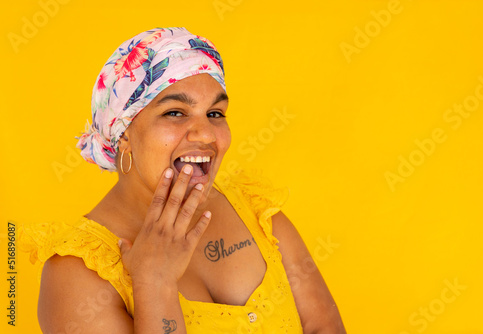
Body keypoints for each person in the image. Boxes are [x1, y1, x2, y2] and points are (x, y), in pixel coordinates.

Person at [19, 27, 346, 333]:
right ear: (124, 136)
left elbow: (325, 327)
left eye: (215, 114)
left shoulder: (253, 209)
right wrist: (154, 283)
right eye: (175, 112)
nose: (206, 134)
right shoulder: (76, 274)